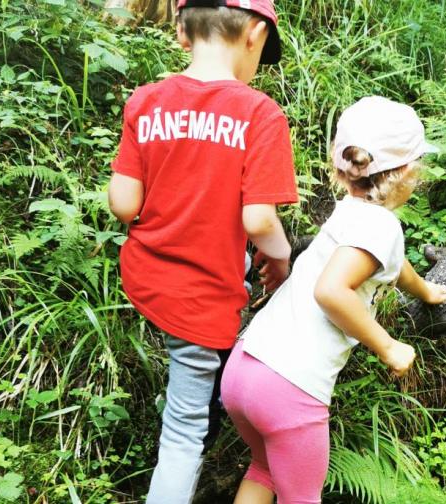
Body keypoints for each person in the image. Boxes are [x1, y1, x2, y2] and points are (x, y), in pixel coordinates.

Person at [106, 1, 297, 501]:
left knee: (194, 387)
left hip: (150, 280)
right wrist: (282, 260)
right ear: (255, 34)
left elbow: (124, 204)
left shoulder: (146, 101)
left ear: (181, 32)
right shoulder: (259, 113)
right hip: (202, 296)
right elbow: (259, 220)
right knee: (184, 433)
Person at [220, 96, 446, 504]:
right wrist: (389, 347)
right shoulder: (382, 227)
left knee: (265, 470)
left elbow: (391, 266)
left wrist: (426, 290)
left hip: (244, 370)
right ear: (407, 172)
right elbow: (330, 291)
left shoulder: (349, 211)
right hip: (290, 389)